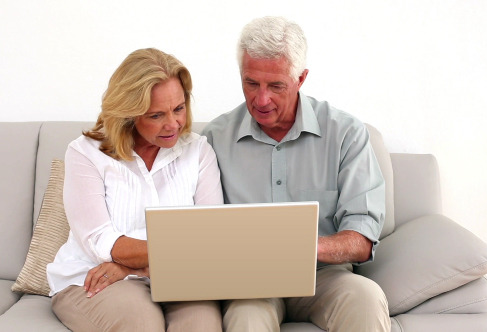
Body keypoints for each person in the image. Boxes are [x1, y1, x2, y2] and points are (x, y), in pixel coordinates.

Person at [202, 17, 390, 332]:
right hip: (250, 282)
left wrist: (303, 247)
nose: (261, 100)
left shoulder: (345, 133)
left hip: (325, 275)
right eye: (251, 83)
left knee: (366, 297)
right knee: (246, 319)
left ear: (300, 79)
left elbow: (362, 239)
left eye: (276, 85)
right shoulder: (215, 139)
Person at [47, 48, 224, 332]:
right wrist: (168, 255)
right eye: (156, 115)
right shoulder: (84, 154)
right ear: (128, 114)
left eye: (179, 109)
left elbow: (210, 241)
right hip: (94, 277)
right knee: (141, 325)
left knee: (202, 325)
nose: (173, 123)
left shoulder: (199, 151)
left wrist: (133, 266)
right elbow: (103, 243)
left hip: (179, 278)